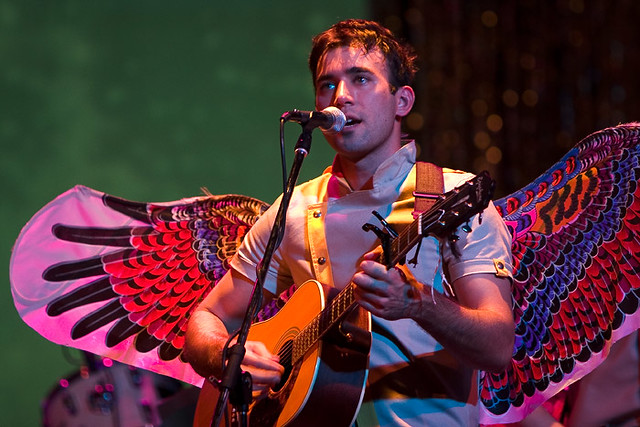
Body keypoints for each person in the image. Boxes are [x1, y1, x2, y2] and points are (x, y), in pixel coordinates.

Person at [184, 19, 515, 426]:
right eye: (327, 84)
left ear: (402, 101)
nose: (340, 96)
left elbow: (498, 346)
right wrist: (227, 356)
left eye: (360, 79)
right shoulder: (293, 209)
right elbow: (207, 318)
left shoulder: (452, 196)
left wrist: (418, 304)